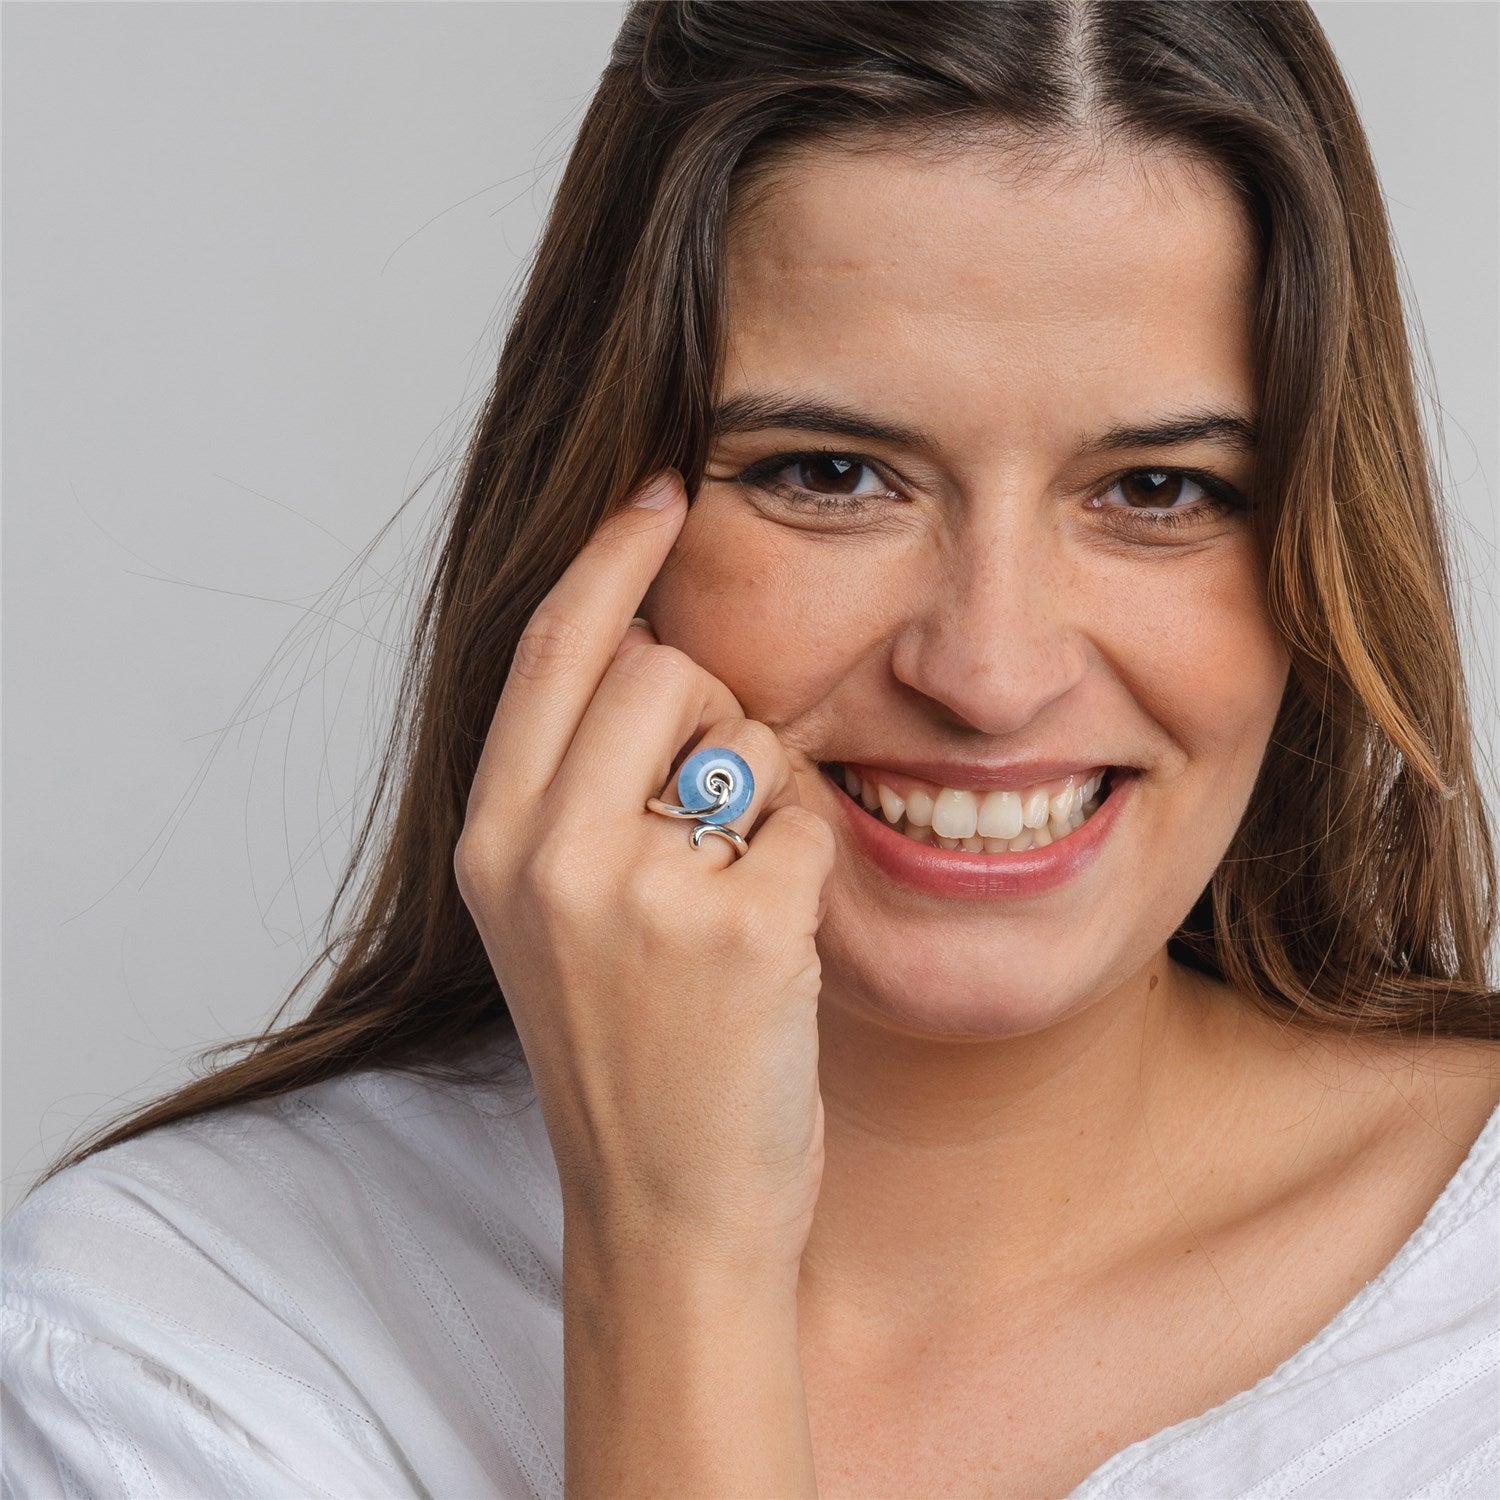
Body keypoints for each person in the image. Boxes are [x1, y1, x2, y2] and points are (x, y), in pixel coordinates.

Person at [5, 2, 1497, 1496]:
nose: (989, 676)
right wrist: (676, 1253)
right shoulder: (176, 1338)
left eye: (1160, 490)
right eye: (832, 474)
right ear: (593, 530)